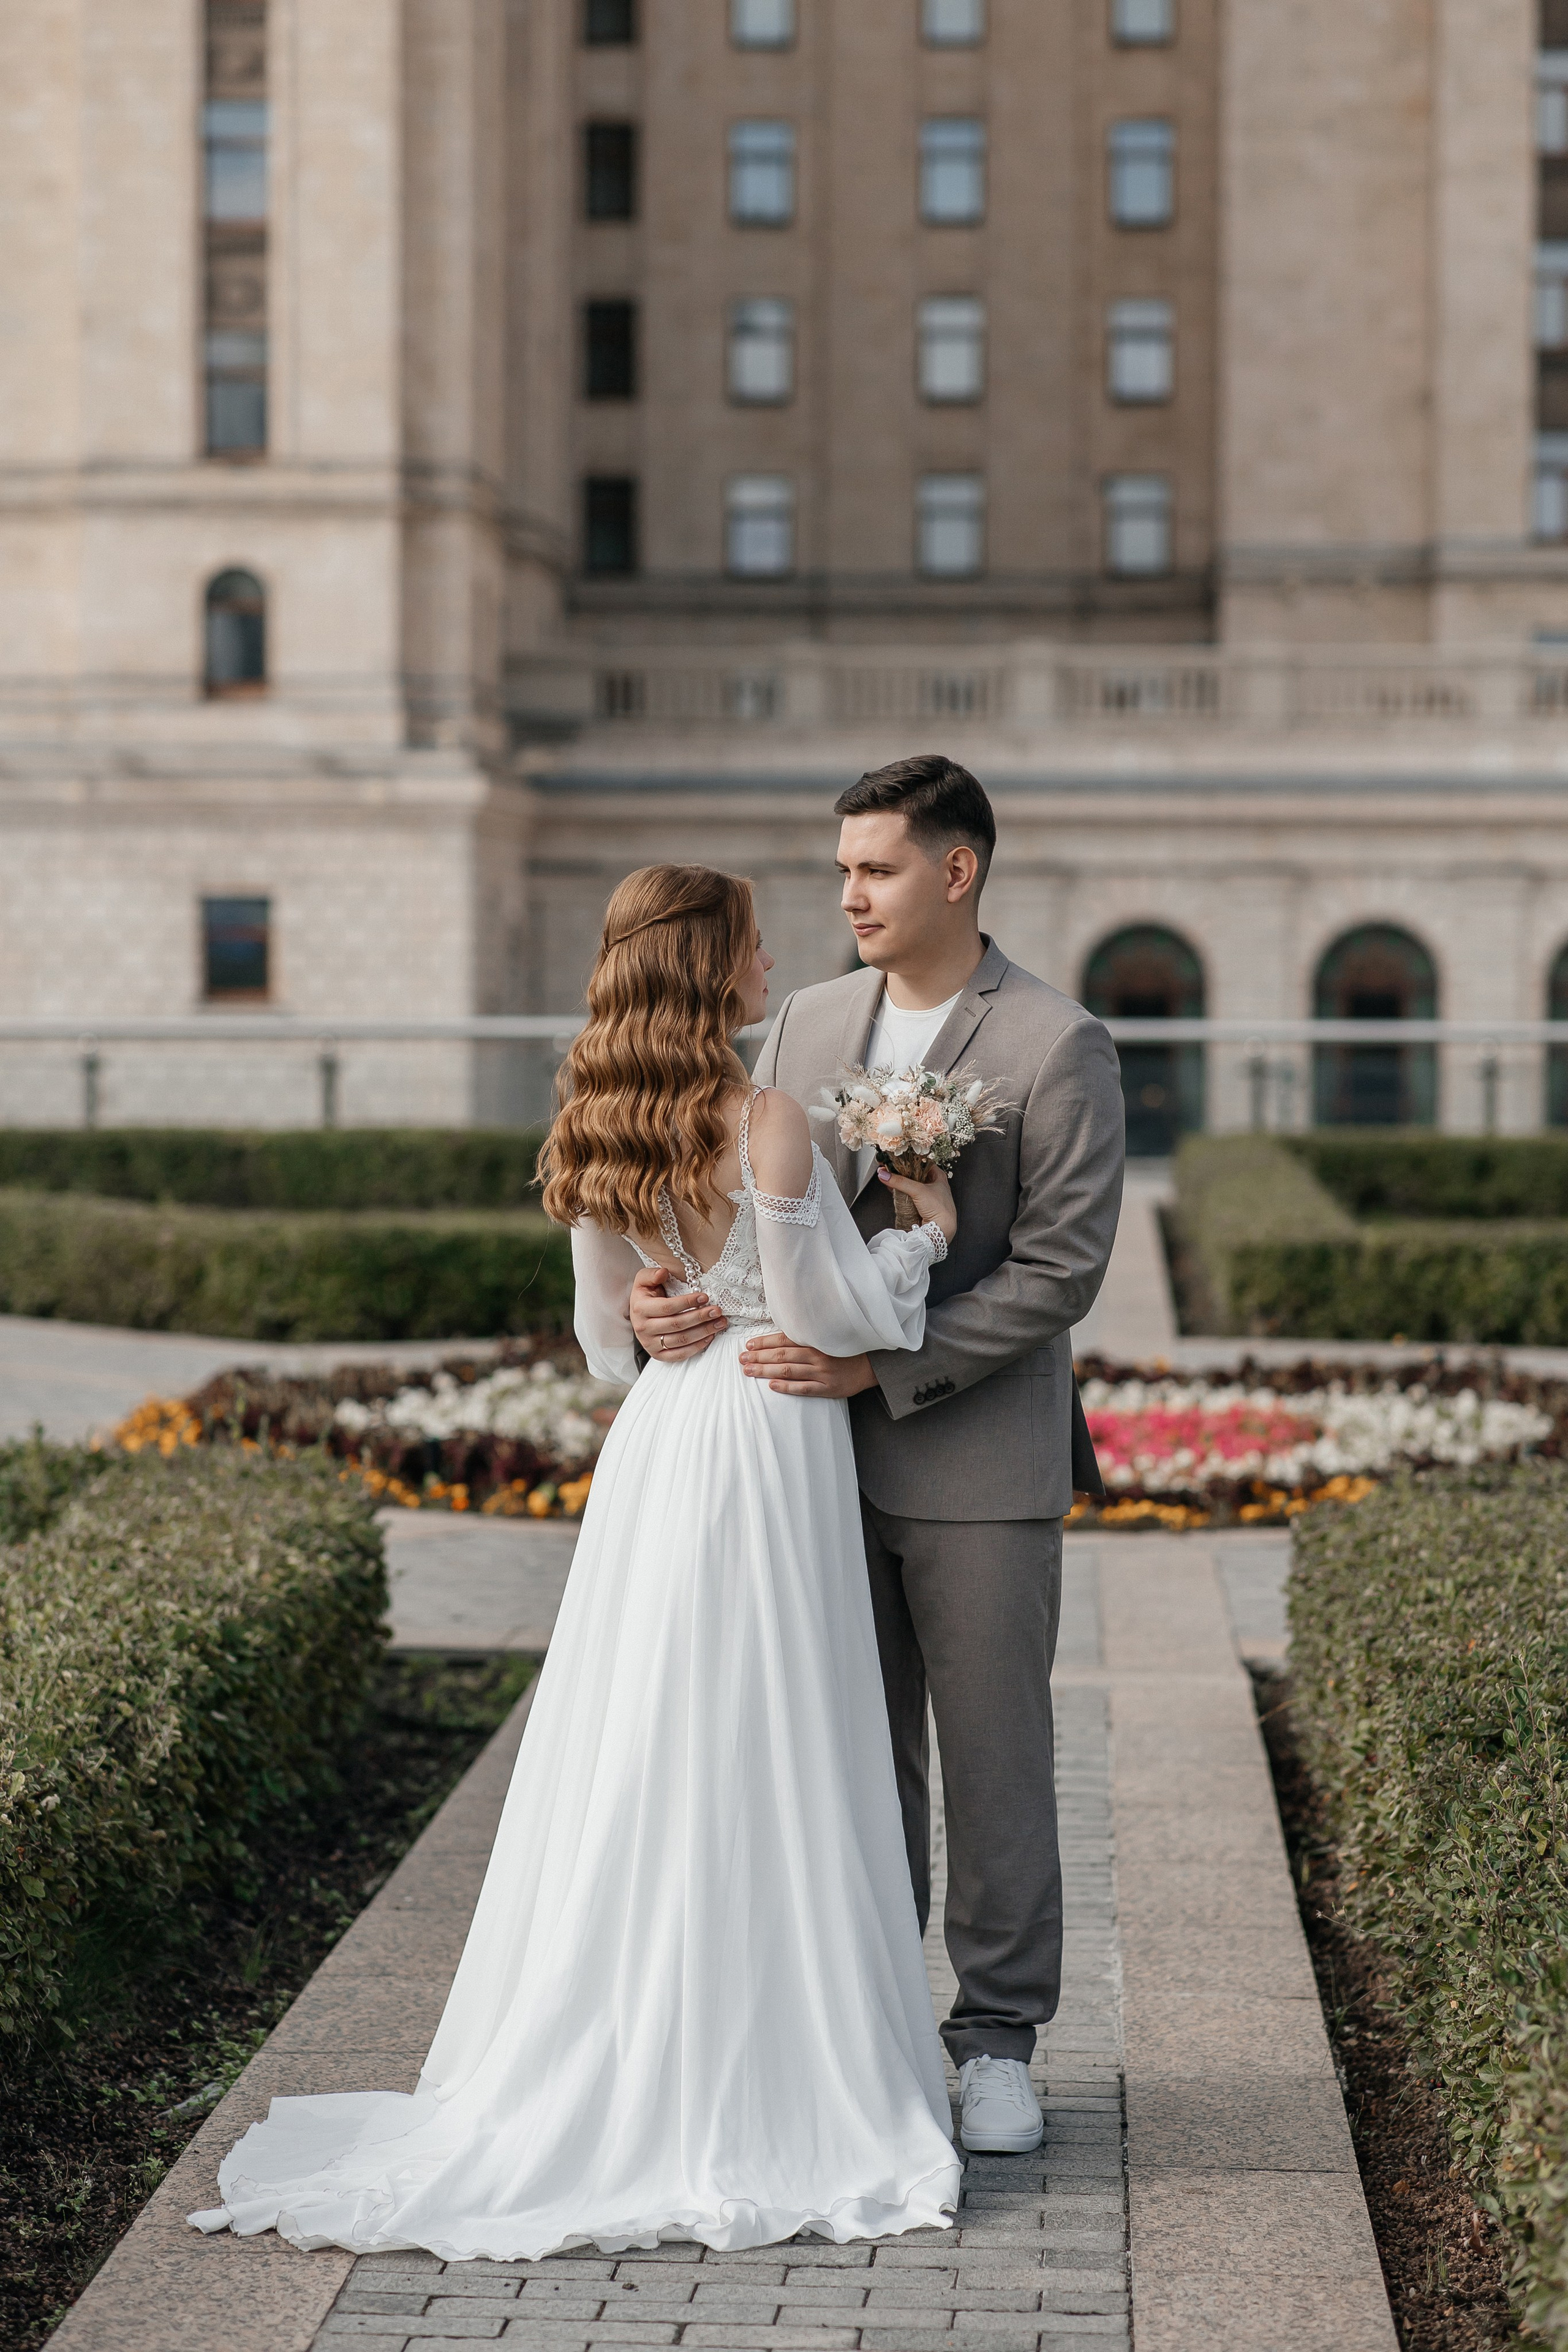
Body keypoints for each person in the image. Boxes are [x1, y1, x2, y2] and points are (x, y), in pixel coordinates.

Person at [189, 861, 963, 2260]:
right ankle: (779, 2067)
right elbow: (829, 1313)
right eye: (749, 944)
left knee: (650, 1730)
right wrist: (924, 1235)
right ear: (706, 968)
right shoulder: (767, 1119)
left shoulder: (598, 1122)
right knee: (771, 1729)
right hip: (769, 1429)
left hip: (665, 1443)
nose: (769, 961)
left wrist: (661, 1308)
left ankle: (628, 2046)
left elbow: (609, 1336)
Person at [629, 755, 1125, 2158]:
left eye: (876, 868)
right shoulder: (802, 1020)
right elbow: (725, 1203)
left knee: (991, 1759)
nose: (847, 893)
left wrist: (880, 1367)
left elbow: (1059, 1271)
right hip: (794, 1461)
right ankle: (870, 2034)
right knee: (844, 1758)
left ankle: (996, 2041)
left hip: (975, 1463)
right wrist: (655, 1300)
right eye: (841, 867)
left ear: (954, 871)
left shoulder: (1054, 1041)